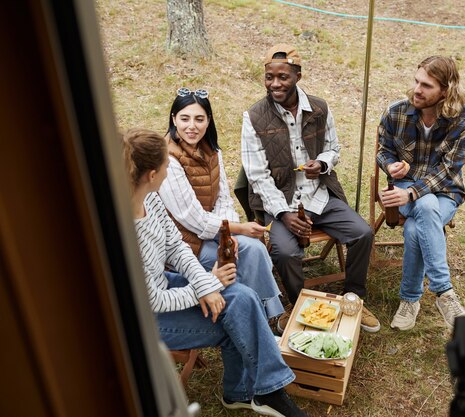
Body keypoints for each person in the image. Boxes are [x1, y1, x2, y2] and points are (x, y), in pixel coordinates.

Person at [123, 128, 309, 417]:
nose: (169, 170)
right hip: (145, 320)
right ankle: (257, 392)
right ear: (150, 173)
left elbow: (175, 245)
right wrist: (207, 283)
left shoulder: (149, 198)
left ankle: (258, 391)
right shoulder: (127, 230)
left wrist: (205, 285)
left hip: (165, 287)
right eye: (166, 166)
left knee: (242, 299)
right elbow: (154, 301)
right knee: (234, 319)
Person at [241, 43, 380, 334]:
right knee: (286, 252)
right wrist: (284, 214)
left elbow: (333, 147)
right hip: (282, 202)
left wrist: (323, 163)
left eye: (283, 77)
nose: (275, 84)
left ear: (298, 76)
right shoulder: (254, 116)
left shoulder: (319, 108)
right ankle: (299, 304)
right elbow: (257, 176)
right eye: (269, 77)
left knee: (363, 233)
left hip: (319, 196)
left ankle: (353, 296)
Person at [158, 88, 284, 321]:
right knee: (238, 260)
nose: (191, 126)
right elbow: (192, 218)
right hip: (183, 243)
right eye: (184, 119)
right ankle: (259, 315)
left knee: (252, 248)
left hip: (210, 229)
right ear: (173, 119)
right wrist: (238, 229)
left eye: (199, 119)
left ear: (209, 120)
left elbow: (223, 198)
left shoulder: (212, 150)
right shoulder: (168, 159)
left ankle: (266, 312)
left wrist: (228, 234)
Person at [377, 56, 465, 330]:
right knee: (425, 207)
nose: (417, 90)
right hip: (402, 187)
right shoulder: (396, 112)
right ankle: (444, 294)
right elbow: (383, 150)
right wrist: (391, 165)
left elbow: (449, 170)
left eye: (426, 85)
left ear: (445, 91)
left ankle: (410, 299)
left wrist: (412, 193)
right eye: (416, 81)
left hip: (445, 193)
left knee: (418, 221)